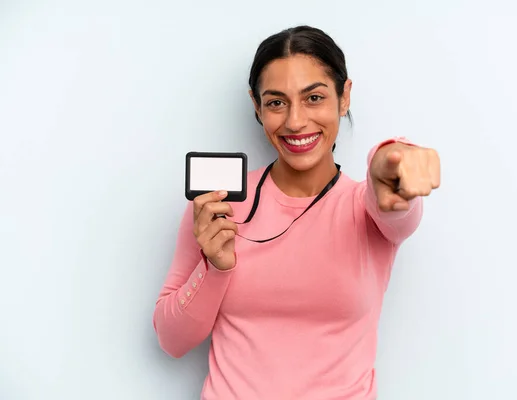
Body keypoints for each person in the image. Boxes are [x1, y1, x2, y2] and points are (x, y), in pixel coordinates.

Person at [153, 25, 441, 400]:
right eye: (276, 102)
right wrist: (214, 268)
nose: (294, 121)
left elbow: (392, 194)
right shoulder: (219, 206)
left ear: (344, 97)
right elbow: (171, 341)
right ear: (257, 107)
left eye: (314, 98)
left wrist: (391, 156)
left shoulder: (367, 205)